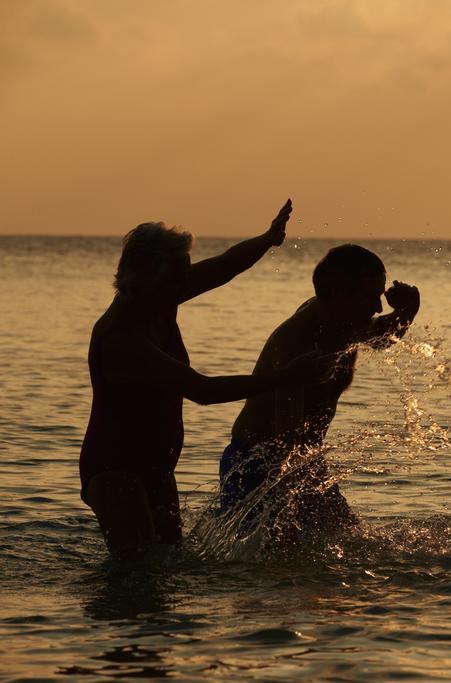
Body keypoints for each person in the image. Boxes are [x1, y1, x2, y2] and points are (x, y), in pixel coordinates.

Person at [80, 200, 338, 553]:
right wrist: (285, 376)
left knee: (166, 568)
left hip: (157, 467)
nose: (188, 280)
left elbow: (225, 266)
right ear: (148, 277)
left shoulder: (159, 297)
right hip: (114, 469)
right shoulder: (121, 338)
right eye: (179, 274)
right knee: (135, 573)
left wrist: (267, 239)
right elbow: (202, 390)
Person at [220, 244, 420, 535]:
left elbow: (381, 339)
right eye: (371, 297)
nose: (378, 308)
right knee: (269, 563)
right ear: (339, 294)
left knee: (347, 540)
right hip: (258, 464)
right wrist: (302, 493)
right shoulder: (299, 341)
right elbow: (287, 437)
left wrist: (408, 311)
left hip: (303, 460)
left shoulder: (343, 318)